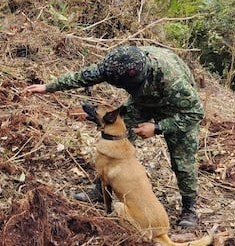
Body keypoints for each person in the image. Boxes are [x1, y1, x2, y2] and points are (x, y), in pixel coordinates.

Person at [24, 44, 205, 230]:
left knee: (182, 160)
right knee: (119, 134)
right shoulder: (117, 66)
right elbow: (85, 77)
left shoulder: (172, 80)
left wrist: (158, 127)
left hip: (179, 109)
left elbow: (195, 113)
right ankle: (102, 188)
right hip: (142, 101)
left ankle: (189, 208)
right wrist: (48, 87)